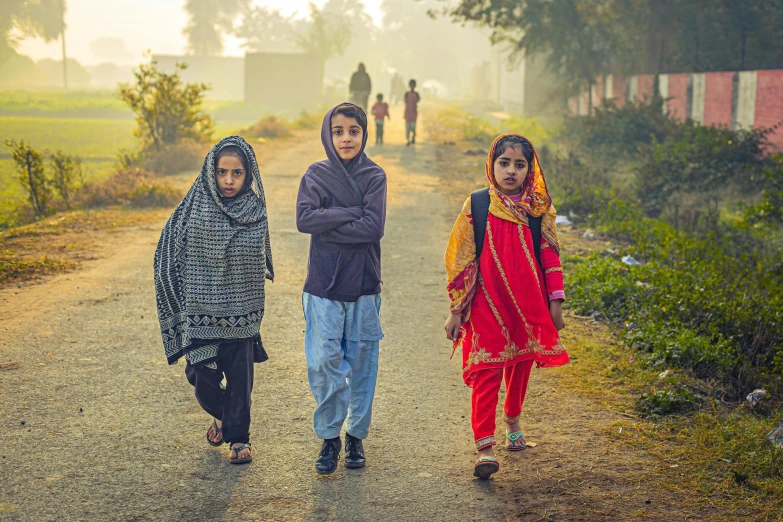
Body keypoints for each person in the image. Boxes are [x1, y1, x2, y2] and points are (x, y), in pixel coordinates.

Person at [444, 134, 569, 479]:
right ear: (492, 165)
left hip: (528, 305)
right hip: (487, 305)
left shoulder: (538, 208)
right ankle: (485, 448)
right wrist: (456, 310)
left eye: (519, 164)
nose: (511, 171)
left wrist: (555, 303)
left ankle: (513, 417)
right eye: (504, 163)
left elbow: (550, 257)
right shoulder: (478, 205)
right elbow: (461, 260)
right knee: (487, 370)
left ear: (530, 169)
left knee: (520, 364)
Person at [153, 136, 274, 466]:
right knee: (201, 379)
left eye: (237, 173)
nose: (229, 180)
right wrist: (178, 302)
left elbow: (254, 262)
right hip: (200, 315)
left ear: (248, 174)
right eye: (222, 172)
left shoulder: (255, 210)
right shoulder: (194, 207)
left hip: (242, 316)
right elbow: (166, 255)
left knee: (240, 380)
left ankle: (239, 439)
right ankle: (224, 417)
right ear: (211, 171)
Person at [296, 103, 387, 475]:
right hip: (323, 284)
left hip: (364, 283)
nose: (346, 138)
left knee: (363, 363)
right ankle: (329, 436)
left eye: (353, 130)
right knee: (323, 361)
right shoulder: (315, 175)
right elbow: (304, 219)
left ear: (365, 134)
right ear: (327, 134)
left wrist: (329, 219)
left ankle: (356, 436)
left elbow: (373, 228)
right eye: (338, 131)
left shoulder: (374, 176)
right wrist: (353, 211)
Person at [404, 79, 421, 146]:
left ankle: (413, 137)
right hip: (408, 112)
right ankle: (408, 140)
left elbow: (418, 100)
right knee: (408, 127)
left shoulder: (416, 94)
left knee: (413, 126)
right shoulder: (407, 94)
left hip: (414, 112)